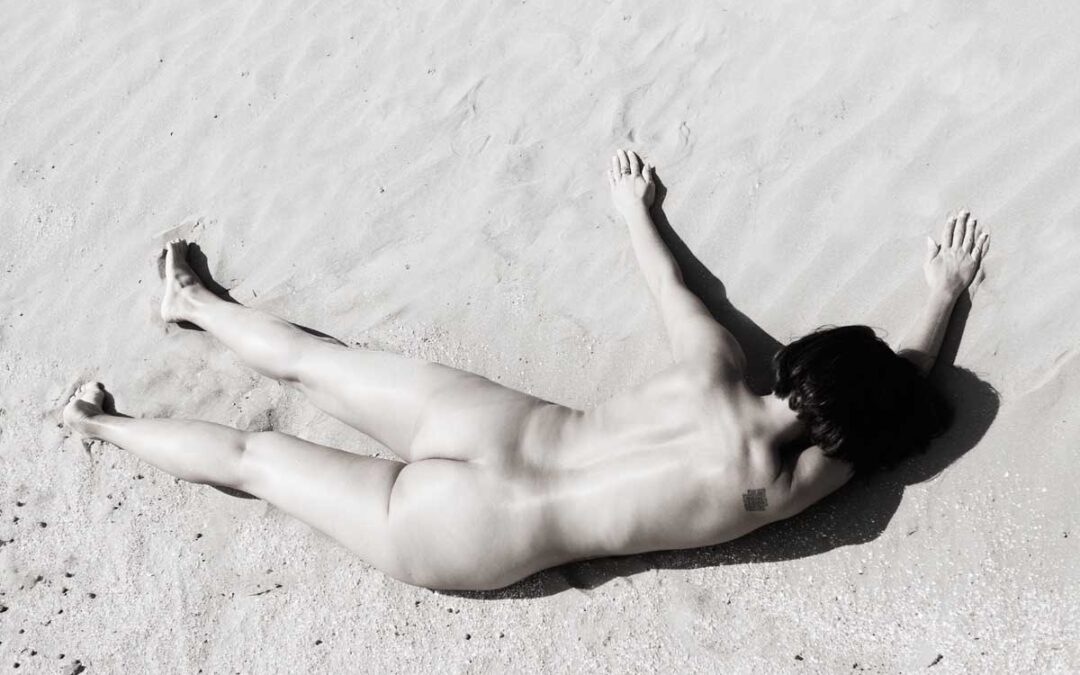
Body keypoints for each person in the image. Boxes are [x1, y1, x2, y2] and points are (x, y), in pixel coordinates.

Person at [63, 149, 990, 591]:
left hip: (494, 428)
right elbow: (897, 390)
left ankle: (191, 305)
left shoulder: (713, 365)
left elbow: (669, 284)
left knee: (315, 363)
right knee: (257, 463)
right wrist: (942, 299)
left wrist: (634, 210)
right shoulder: (780, 488)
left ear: (801, 358)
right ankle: (100, 422)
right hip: (481, 530)